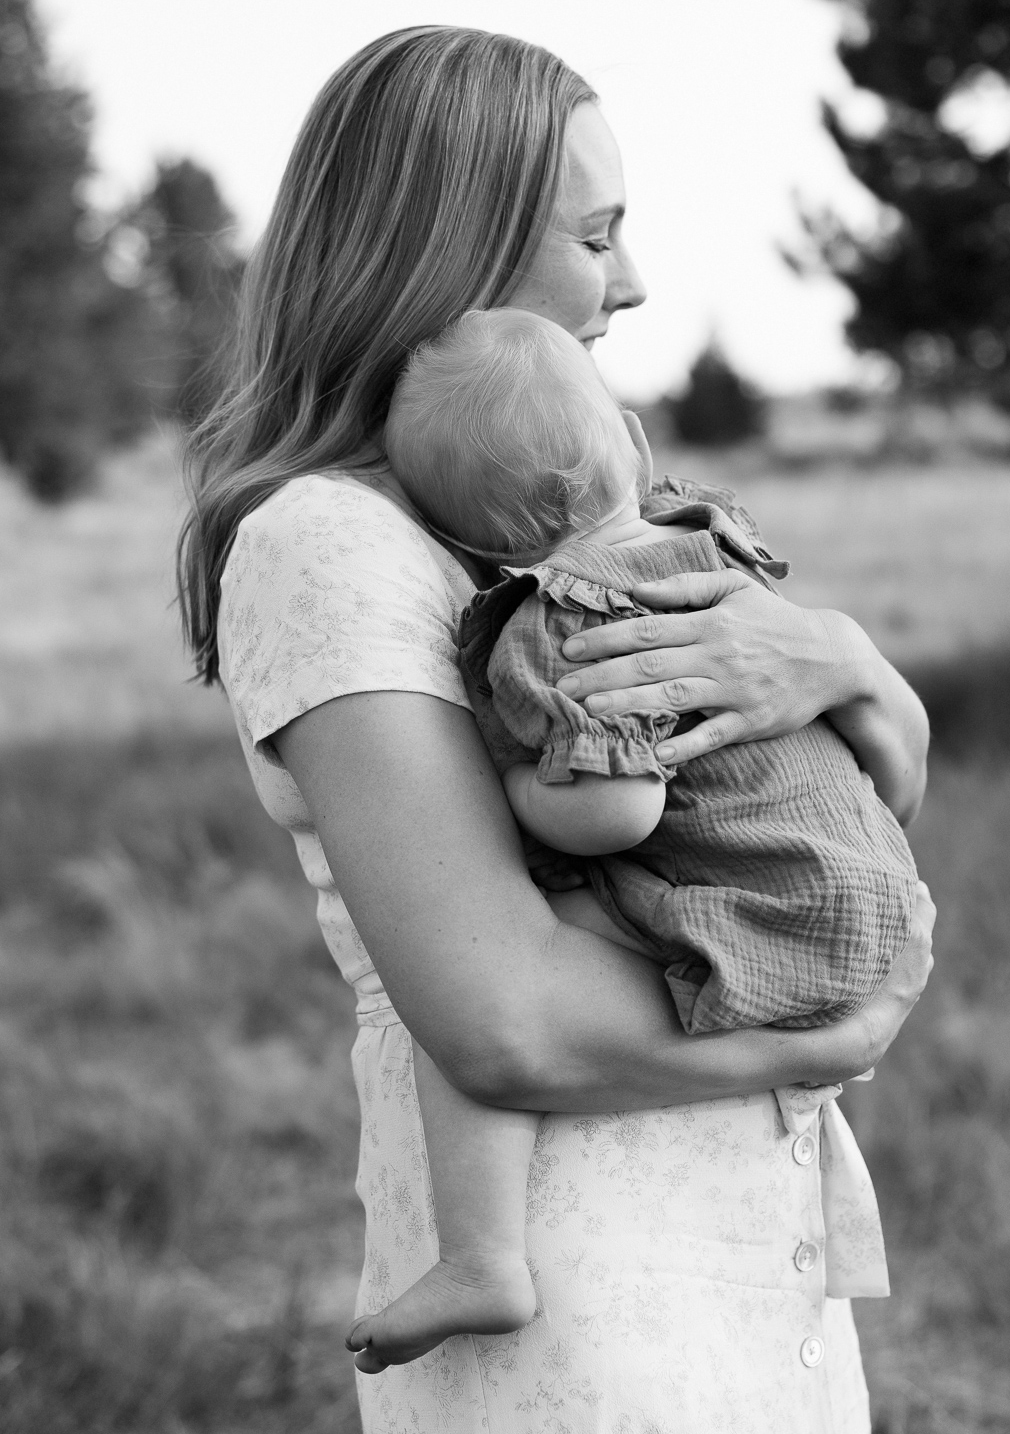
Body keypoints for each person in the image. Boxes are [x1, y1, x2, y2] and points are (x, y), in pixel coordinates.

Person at [178, 26, 934, 1433]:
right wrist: (817, 1031)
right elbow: (505, 1018)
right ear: (445, 253)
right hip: (581, 1312)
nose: (632, 283)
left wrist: (848, 668)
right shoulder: (331, 545)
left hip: (739, 1270)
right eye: (598, 235)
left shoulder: (545, 527)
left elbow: (821, 817)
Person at [339, 306, 919, 1370]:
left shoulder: (557, 622)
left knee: (466, 980)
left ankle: (480, 1258)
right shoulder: (710, 539)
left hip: (761, 909)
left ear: (475, 545)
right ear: (638, 447)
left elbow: (617, 811)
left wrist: (506, 786)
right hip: (863, 886)